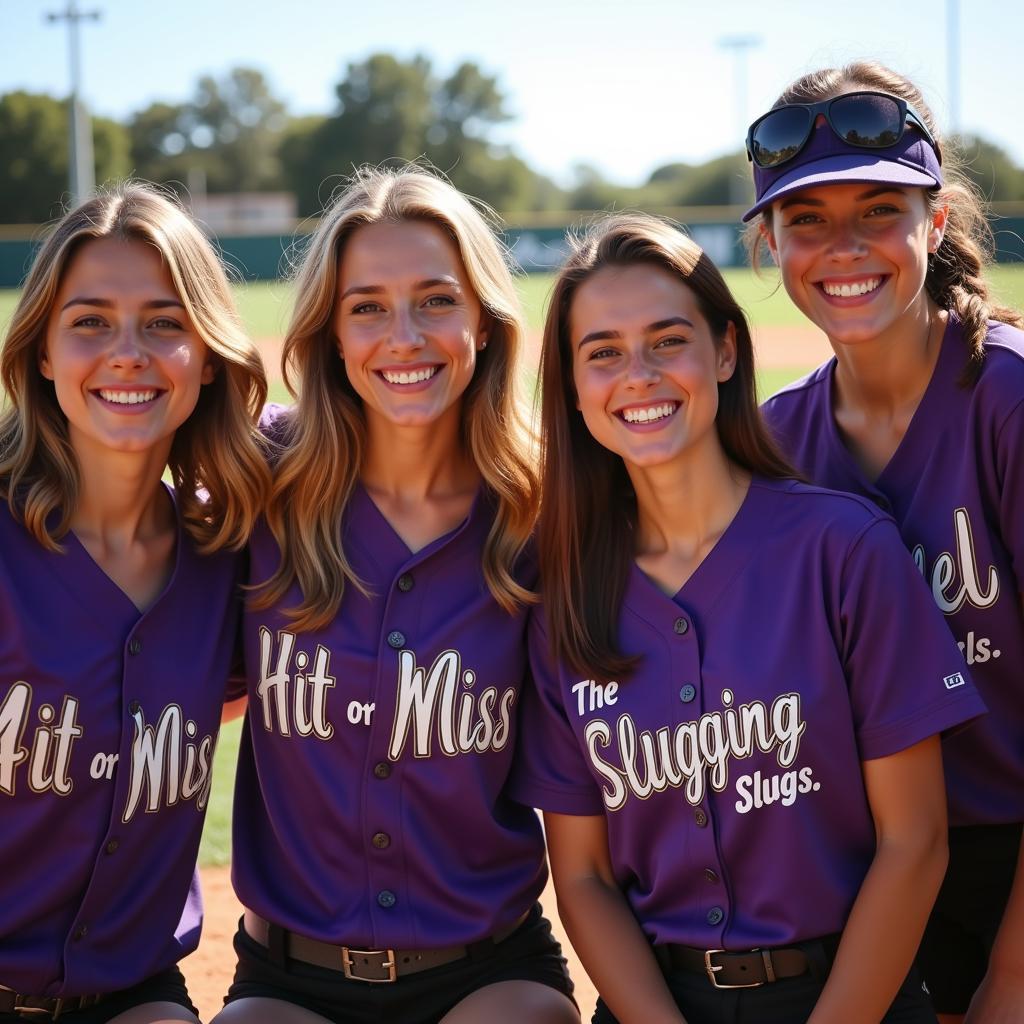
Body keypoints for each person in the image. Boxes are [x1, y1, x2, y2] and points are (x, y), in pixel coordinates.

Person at [510, 212, 986, 1024]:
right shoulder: (565, 597)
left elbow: (915, 843)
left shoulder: (844, 548)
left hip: (850, 995)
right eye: (603, 354)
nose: (639, 375)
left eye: (669, 340)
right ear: (573, 385)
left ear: (725, 350)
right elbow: (583, 878)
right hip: (657, 1001)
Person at [214, 166, 578, 1024]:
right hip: (288, 975)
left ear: (485, 324)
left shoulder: (543, 509)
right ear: (331, 334)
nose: (403, 335)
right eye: (367, 306)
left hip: (489, 972)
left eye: (436, 301)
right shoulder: (259, 479)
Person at [746, 61, 1024, 1024]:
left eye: (878, 210)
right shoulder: (777, 440)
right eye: (807, 220)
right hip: (867, 873)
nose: (843, 247)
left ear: (935, 224)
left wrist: (1017, 975)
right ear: (771, 245)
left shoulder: (1007, 399)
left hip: (1010, 859)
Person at [0, 183, 269, 1023]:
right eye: (89, 322)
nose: (128, 352)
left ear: (209, 353)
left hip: (132, 992)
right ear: (42, 351)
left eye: (165, 322)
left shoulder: (230, 556)